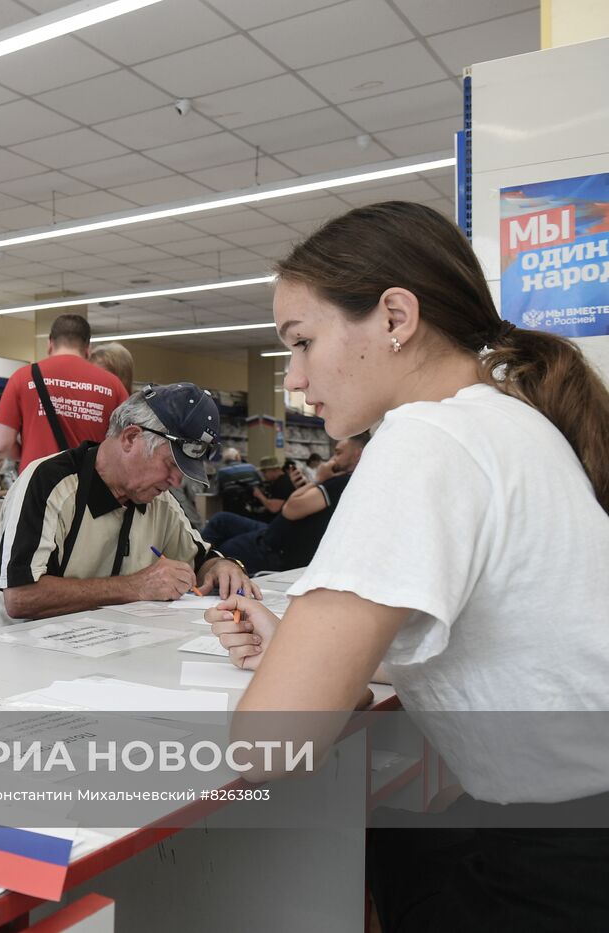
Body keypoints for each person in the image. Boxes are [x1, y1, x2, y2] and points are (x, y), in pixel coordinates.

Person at [203, 202, 609, 930]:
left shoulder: (424, 440)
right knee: (403, 835)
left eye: (301, 342)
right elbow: (512, 645)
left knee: (394, 843)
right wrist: (316, 650)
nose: (293, 379)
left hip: (564, 863)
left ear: (395, 317)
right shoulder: (507, 421)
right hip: (579, 822)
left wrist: (296, 673)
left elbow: (271, 743)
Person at [0, 384, 255, 631]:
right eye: (171, 464)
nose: (176, 481)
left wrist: (222, 567)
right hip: (11, 647)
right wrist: (137, 586)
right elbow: (20, 597)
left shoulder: (159, 501)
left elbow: (201, 558)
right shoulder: (50, 482)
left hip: (93, 645)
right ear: (131, 438)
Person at [199, 433, 368, 573]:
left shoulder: (340, 483)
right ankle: (198, 560)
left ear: (357, 455)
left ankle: (199, 568)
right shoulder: (344, 482)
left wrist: (318, 480)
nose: (333, 459)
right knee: (221, 521)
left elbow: (290, 508)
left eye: (338, 453)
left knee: (224, 550)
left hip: (275, 550)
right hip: (274, 534)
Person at [0, 314, 127, 471]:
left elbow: (1, 444)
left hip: (38, 483)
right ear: (88, 348)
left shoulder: (22, 377)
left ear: (49, 343)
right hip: (89, 485)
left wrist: (29, 454)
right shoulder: (113, 385)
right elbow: (126, 445)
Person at [213, 446, 265, 518]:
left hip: (232, 511)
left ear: (224, 460)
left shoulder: (221, 472)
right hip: (253, 510)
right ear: (237, 457)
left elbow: (218, 493)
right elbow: (261, 485)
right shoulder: (251, 467)